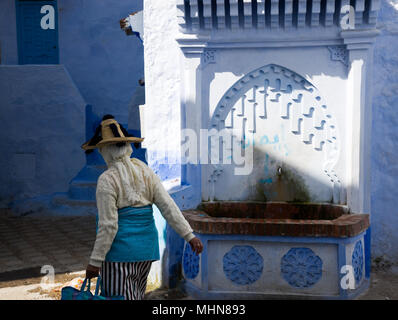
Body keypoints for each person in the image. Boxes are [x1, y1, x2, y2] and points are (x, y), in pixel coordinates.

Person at [82, 115, 203, 300]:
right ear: (127, 147)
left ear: (106, 151)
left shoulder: (107, 180)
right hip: (146, 253)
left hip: (119, 256)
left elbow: (109, 226)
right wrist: (190, 235)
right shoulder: (145, 170)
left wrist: (95, 262)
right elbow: (168, 207)